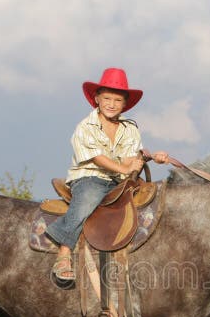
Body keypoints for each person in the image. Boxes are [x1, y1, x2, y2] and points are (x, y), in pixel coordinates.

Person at [46, 67, 169, 286]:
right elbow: (96, 158)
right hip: (90, 177)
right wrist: (122, 168)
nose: (111, 104)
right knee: (87, 200)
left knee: (150, 200)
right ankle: (64, 253)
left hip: (119, 182)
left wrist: (149, 158)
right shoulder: (85, 127)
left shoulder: (130, 129)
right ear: (97, 99)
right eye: (107, 98)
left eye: (117, 100)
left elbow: (132, 158)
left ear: (124, 104)